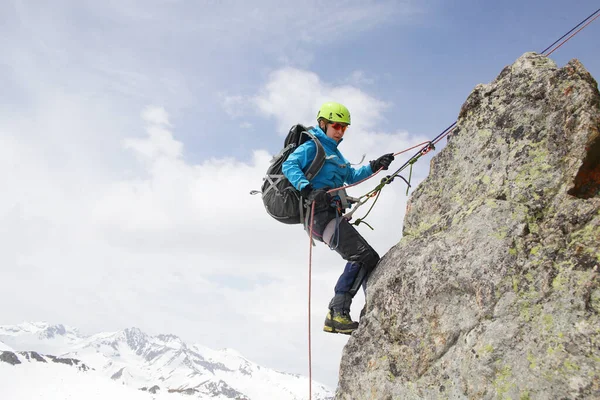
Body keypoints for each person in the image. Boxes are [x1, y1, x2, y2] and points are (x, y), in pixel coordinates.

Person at [282, 102, 394, 334]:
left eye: (344, 127)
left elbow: (351, 175)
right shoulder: (313, 146)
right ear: (323, 123)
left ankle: (357, 307)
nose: (340, 131)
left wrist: (375, 166)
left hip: (328, 215)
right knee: (363, 255)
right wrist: (307, 189)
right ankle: (337, 313)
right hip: (318, 216)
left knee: (367, 257)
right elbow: (289, 165)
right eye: (336, 126)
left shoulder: (335, 153)